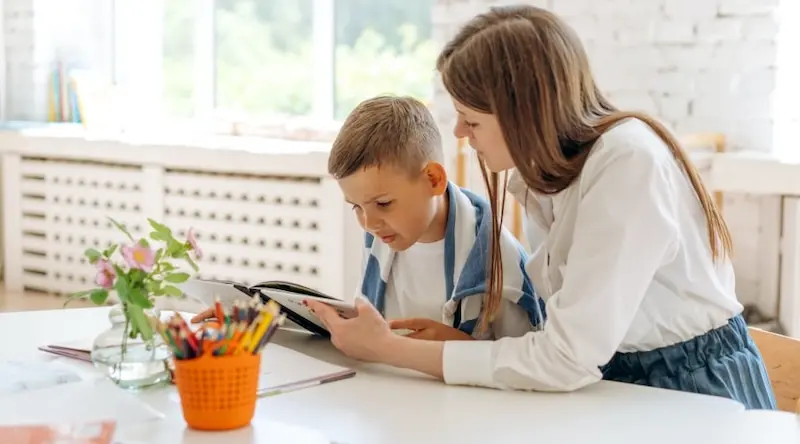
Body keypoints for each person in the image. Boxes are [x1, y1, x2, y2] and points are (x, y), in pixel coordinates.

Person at [306, 5, 777, 410]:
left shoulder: (627, 164)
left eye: (471, 120)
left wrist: (390, 349)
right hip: (613, 383)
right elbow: (563, 343)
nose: (460, 136)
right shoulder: (544, 180)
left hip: (690, 391)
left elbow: (566, 356)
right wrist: (459, 348)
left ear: (523, 110)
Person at [194, 95, 546, 341]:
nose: (368, 223)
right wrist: (259, 319)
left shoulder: (498, 259)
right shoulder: (383, 237)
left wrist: (461, 351)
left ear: (433, 180)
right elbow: (371, 331)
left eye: (383, 203)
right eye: (356, 207)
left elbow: (530, 361)